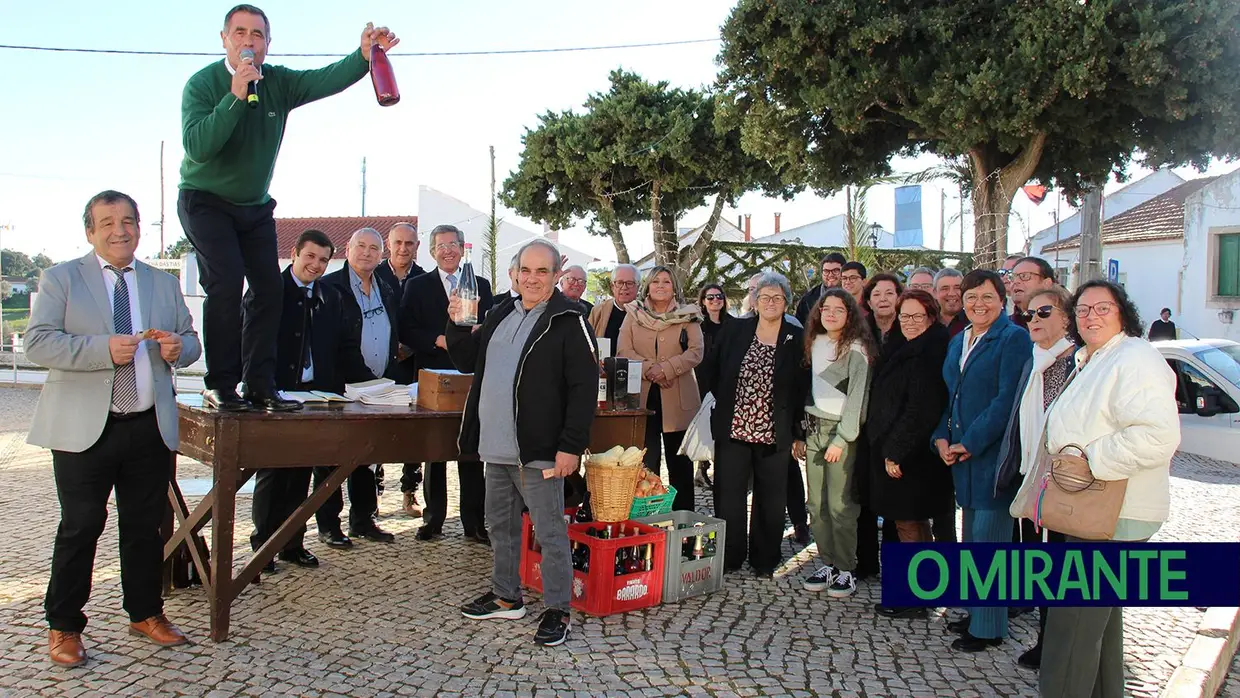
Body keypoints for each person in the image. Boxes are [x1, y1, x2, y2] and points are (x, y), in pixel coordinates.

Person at [177, 4, 396, 413]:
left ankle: (259, 383)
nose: (248, 41)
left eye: (256, 35)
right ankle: (220, 384)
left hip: (254, 205)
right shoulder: (203, 85)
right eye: (240, 33)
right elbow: (199, 147)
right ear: (225, 39)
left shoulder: (277, 82)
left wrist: (362, 56)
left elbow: (323, 80)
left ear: (267, 43)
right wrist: (235, 97)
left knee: (269, 289)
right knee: (225, 284)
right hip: (205, 199)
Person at [26, 191, 202, 666]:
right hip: (84, 429)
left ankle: (145, 613)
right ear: (90, 232)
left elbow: (191, 341)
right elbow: (38, 343)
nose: (119, 230)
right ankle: (64, 626)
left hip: (148, 425)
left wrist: (176, 350)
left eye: (128, 220)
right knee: (81, 526)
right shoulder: (61, 278)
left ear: (139, 227)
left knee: (145, 528)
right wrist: (104, 349)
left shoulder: (161, 284)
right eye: (107, 223)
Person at [449, 239, 598, 648]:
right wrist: (456, 324)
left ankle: (557, 609)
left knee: (549, 532)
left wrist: (571, 447)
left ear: (556, 276)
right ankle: (505, 595)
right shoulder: (499, 313)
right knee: (500, 526)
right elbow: (467, 362)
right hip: (495, 446)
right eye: (526, 271)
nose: (533, 279)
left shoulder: (570, 320)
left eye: (542, 272)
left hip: (540, 450)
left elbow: (584, 388)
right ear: (514, 274)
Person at [1039, 281, 1179, 697]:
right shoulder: (1095, 358)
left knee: (1071, 630)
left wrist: (1091, 462)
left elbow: (1158, 435)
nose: (1091, 316)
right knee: (1098, 628)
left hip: (1113, 511)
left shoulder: (1134, 358)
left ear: (1123, 313)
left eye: (1103, 308)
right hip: (1091, 511)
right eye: (1082, 310)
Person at [248, 230, 377, 572]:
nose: (315, 265)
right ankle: (263, 547)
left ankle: (292, 544)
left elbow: (345, 348)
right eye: (310, 257)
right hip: (275, 396)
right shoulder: (269, 291)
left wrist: (374, 386)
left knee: (302, 474)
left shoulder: (331, 297)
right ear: (295, 254)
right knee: (273, 472)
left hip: (316, 398)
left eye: (322, 260)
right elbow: (249, 341)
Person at [933, 269, 1033, 652]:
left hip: (992, 456)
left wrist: (970, 442)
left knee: (992, 541)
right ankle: (978, 612)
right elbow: (950, 395)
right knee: (972, 536)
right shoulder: (959, 340)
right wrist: (941, 436)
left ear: (1002, 299)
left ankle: (990, 627)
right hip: (961, 456)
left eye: (987, 297)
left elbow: (1006, 401)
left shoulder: (1013, 339)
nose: (979, 304)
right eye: (972, 296)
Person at [697, 272, 807, 576]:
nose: (770, 302)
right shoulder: (737, 329)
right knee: (729, 495)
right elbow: (712, 367)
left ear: (786, 302)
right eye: (764, 297)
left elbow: (801, 386)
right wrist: (718, 402)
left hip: (775, 431)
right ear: (755, 301)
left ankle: (764, 559)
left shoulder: (796, 338)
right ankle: (731, 556)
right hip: (734, 428)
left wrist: (799, 432)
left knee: (771, 499)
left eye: (777, 297)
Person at [994, 285, 1076, 669]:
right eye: (1029, 314)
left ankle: (1057, 645)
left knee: (1060, 567)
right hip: (1032, 479)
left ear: (1066, 317)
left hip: (1063, 485)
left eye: (1044, 313)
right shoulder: (1036, 359)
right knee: (1039, 563)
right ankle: (1048, 640)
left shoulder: (1074, 362)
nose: (1034, 321)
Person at [400, 224, 493, 544]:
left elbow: (488, 327)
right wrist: (438, 339)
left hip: (470, 377)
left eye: (453, 244)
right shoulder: (416, 286)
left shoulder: (480, 284)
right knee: (435, 451)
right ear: (432, 252)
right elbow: (406, 329)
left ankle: (474, 523)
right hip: (432, 375)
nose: (448, 250)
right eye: (441, 246)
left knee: (471, 450)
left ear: (462, 247)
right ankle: (433, 519)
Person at [867, 290, 951, 619]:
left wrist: (895, 452)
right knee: (909, 523)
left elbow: (920, 409)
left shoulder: (929, 352)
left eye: (917, 316)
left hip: (910, 455)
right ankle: (920, 591)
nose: (910, 322)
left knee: (910, 526)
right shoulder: (902, 345)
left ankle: (915, 598)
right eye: (905, 316)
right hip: (899, 448)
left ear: (931, 317)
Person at [319, 228, 401, 544]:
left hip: (379, 387)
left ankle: (363, 520)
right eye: (361, 246)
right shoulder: (330, 286)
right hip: (341, 387)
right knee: (331, 457)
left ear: (382, 255)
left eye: (374, 248)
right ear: (348, 249)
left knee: (368, 455)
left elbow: (394, 332)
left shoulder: (387, 286)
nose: (367, 253)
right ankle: (329, 525)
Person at [800, 289, 874, 598]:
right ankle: (827, 562)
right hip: (813, 431)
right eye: (825, 308)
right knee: (817, 505)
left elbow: (858, 399)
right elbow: (807, 389)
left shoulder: (857, 349)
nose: (830, 314)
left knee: (841, 505)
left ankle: (846, 568)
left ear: (850, 315)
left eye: (838, 310)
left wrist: (842, 438)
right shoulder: (813, 343)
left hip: (840, 434)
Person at [617, 266, 704, 511]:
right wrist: (651, 370)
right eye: (655, 281)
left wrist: (667, 369)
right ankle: (647, 519)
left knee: (680, 466)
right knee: (646, 463)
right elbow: (624, 349)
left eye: (666, 281)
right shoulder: (633, 313)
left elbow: (696, 351)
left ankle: (683, 522)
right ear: (648, 286)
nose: (661, 286)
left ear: (674, 286)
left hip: (678, 399)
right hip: (644, 397)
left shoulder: (688, 315)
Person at [373, 221, 426, 518]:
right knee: (378, 432)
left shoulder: (424, 279)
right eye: (398, 243)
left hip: (415, 366)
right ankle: (375, 493)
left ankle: (410, 492)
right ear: (388, 246)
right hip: (380, 366)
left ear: (417, 246)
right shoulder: (375, 275)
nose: (403, 248)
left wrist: (412, 347)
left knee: (412, 435)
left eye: (409, 243)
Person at [695, 282, 731, 487]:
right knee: (704, 427)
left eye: (719, 297)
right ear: (703, 301)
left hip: (725, 381)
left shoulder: (732, 324)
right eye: (710, 297)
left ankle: (721, 470)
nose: (715, 300)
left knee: (721, 428)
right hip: (703, 381)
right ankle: (701, 469)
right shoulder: (697, 325)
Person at [588, 264, 640, 348]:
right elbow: (587, 343)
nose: (624, 287)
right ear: (612, 287)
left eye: (629, 283)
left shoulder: (646, 312)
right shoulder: (598, 312)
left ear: (638, 287)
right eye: (619, 283)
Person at [794, 252, 847, 324]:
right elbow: (800, 328)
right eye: (826, 271)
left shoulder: (853, 295)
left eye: (836, 271)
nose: (830, 275)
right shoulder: (808, 301)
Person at [1008, 256, 1056, 330]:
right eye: (1012, 277)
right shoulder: (1001, 329)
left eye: (1024, 276)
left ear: (1047, 283)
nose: (1016, 282)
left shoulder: (1064, 324)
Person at [862, 273, 904, 348]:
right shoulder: (859, 329)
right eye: (876, 294)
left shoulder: (908, 327)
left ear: (898, 299)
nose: (883, 299)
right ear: (869, 303)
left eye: (889, 293)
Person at [934, 268, 968, 338]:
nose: (951, 293)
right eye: (945, 288)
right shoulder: (927, 322)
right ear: (935, 293)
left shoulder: (974, 323)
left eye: (957, 288)